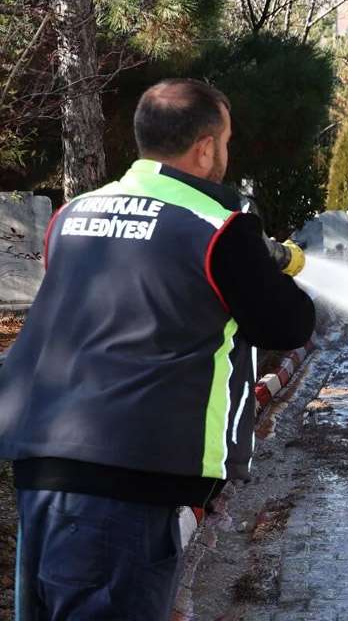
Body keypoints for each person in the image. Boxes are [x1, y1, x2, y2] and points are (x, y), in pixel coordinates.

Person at [0, 79, 315, 619]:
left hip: (42, 468)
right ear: (206, 147)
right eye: (226, 142)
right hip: (128, 481)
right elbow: (289, 324)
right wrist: (266, 264)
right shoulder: (218, 228)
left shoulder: (72, 213)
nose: (225, 154)